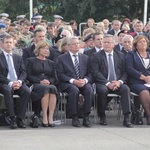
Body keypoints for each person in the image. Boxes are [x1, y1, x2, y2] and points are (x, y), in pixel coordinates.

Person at [91, 34, 133, 128]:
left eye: (108, 42)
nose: (106, 44)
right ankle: (102, 116)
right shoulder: (96, 55)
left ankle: (126, 117)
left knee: (125, 89)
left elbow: (125, 72)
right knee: (102, 90)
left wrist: (119, 82)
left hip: (117, 83)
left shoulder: (121, 55)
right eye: (104, 42)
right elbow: (95, 72)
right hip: (103, 82)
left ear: (114, 44)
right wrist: (107, 83)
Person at [56, 36, 94, 128]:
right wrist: (73, 81)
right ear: (68, 47)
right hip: (68, 83)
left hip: (82, 82)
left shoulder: (85, 57)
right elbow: (60, 75)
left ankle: (86, 116)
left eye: (77, 43)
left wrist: (85, 80)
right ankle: (75, 116)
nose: (77, 45)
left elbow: (90, 73)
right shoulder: (61, 58)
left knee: (89, 90)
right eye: (74, 44)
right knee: (74, 90)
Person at [0, 35, 30, 129]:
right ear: (2, 44)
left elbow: (23, 72)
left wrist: (19, 82)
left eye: (10, 42)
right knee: (8, 90)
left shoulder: (18, 57)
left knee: (27, 91)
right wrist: (10, 83)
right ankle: (12, 118)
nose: (9, 44)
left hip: (18, 82)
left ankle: (20, 118)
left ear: (13, 44)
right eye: (6, 42)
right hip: (4, 83)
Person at [26, 41, 57, 127]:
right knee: (45, 89)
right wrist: (39, 81)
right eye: (43, 48)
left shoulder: (51, 63)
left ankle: (50, 116)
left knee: (53, 88)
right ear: (38, 50)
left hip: (48, 84)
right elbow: (28, 75)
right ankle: (44, 116)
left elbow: (54, 77)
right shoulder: (31, 61)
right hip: (35, 84)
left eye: (47, 49)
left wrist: (49, 81)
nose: (46, 50)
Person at [125, 35, 150, 125]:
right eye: (140, 42)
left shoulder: (149, 54)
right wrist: (143, 77)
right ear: (136, 45)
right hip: (136, 81)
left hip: (148, 81)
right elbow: (130, 69)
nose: (143, 43)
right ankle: (148, 115)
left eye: (144, 41)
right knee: (144, 92)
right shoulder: (131, 54)